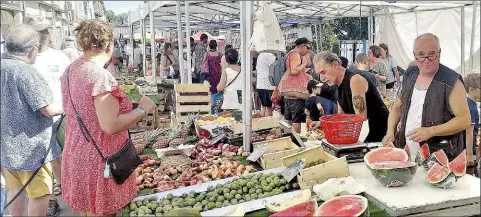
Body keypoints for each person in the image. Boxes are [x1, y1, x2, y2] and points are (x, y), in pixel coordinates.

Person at [60, 20, 157, 216]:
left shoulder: (71, 70)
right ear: (109, 46)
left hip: (77, 152)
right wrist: (142, 110)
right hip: (101, 160)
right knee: (103, 212)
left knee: (89, 210)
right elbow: (110, 125)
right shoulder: (100, 77)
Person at [1, 24, 64, 217]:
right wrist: (71, 105)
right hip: (32, 148)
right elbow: (48, 109)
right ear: (31, 49)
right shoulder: (26, 71)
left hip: (6, 145)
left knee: (15, 189)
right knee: (40, 193)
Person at [382, 33, 471, 160]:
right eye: (421, 55)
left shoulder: (452, 81)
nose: (426, 59)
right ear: (415, 55)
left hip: (440, 156)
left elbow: (464, 120)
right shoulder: (409, 76)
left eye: (431, 54)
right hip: (406, 153)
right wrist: (390, 131)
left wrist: (431, 131)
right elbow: (396, 108)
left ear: (439, 53)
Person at [30, 22, 71, 217]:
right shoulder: (27, 59)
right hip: (37, 118)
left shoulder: (59, 56)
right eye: (39, 32)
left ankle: (69, 190)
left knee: (66, 156)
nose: (43, 34)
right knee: (45, 160)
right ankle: (52, 200)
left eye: (45, 30)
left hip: (64, 114)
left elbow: (71, 81)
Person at [314, 51, 389, 143]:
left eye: (323, 72)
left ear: (335, 64)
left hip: (378, 133)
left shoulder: (355, 80)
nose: (322, 78)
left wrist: (334, 132)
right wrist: (325, 125)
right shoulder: (336, 84)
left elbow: (361, 118)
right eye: (320, 74)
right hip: (363, 133)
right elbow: (341, 115)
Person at [277, 37, 313, 133]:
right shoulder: (296, 54)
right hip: (296, 94)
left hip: (288, 94)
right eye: (308, 48)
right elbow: (294, 70)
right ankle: (295, 140)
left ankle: (287, 138)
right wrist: (303, 64)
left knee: (288, 119)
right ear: (303, 46)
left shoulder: (289, 54)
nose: (308, 50)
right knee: (297, 120)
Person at [464, 73, 480, 175]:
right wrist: (469, 155)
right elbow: (468, 132)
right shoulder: (471, 107)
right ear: (471, 89)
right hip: (468, 150)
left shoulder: (469, 103)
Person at [203, 40, 222, 114]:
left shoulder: (207, 54)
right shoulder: (219, 54)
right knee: (218, 90)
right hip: (218, 74)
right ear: (216, 46)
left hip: (210, 74)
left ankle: (211, 107)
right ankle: (217, 107)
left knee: (211, 90)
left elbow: (203, 63)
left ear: (209, 46)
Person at [256, 51, 276, 116]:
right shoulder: (270, 55)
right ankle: (268, 125)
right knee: (269, 107)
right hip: (268, 85)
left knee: (263, 106)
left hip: (260, 84)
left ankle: (262, 123)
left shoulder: (260, 55)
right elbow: (274, 70)